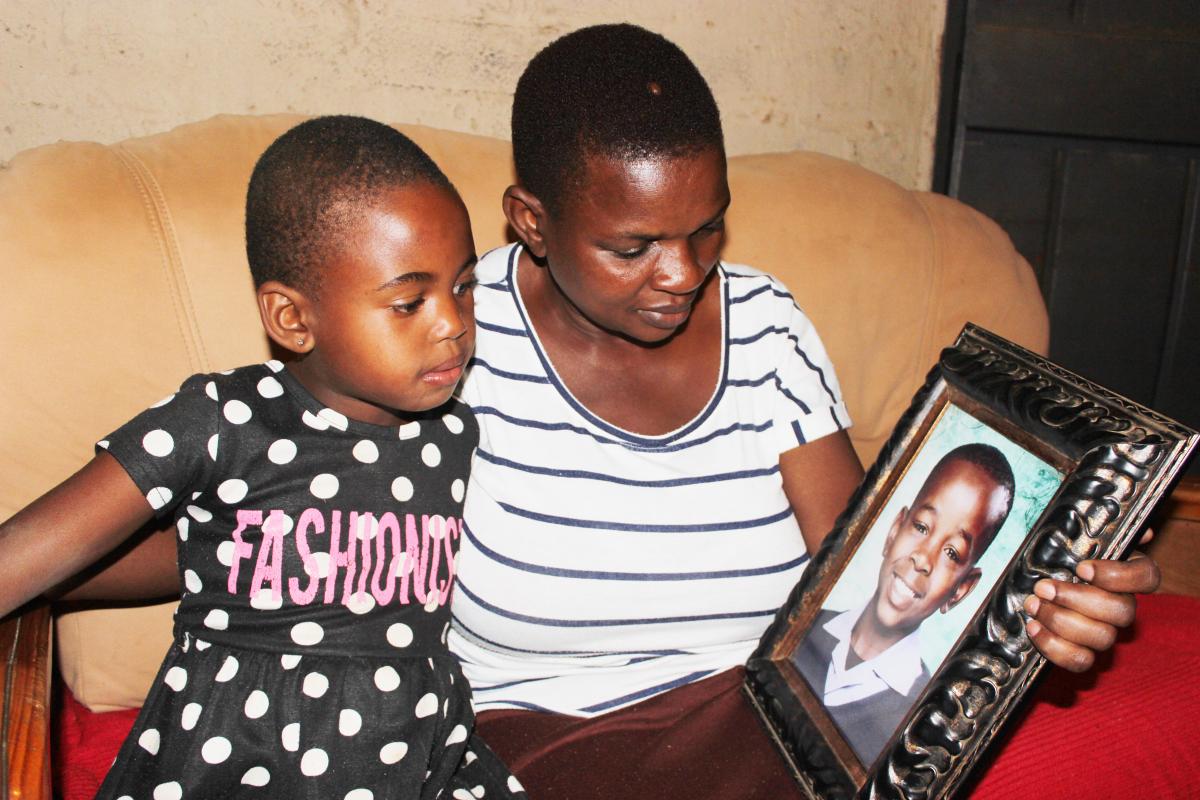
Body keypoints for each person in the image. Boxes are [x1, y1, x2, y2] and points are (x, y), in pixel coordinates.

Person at [446, 24, 1159, 799]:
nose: (683, 273)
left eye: (707, 226)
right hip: (545, 744)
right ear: (531, 221)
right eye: (633, 248)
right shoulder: (453, 345)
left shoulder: (765, 325)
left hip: (764, 728)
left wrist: (1049, 595)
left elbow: (857, 581)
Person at [0, 116, 523, 800]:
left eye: (463, 286)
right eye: (408, 302)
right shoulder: (223, 419)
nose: (453, 323)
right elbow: (23, 557)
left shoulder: (460, 437)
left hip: (418, 765)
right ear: (292, 319)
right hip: (239, 762)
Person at [792, 443, 1015, 764]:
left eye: (951, 553)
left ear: (961, 590)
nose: (923, 558)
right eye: (921, 527)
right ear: (895, 530)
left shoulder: (925, 721)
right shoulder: (801, 626)